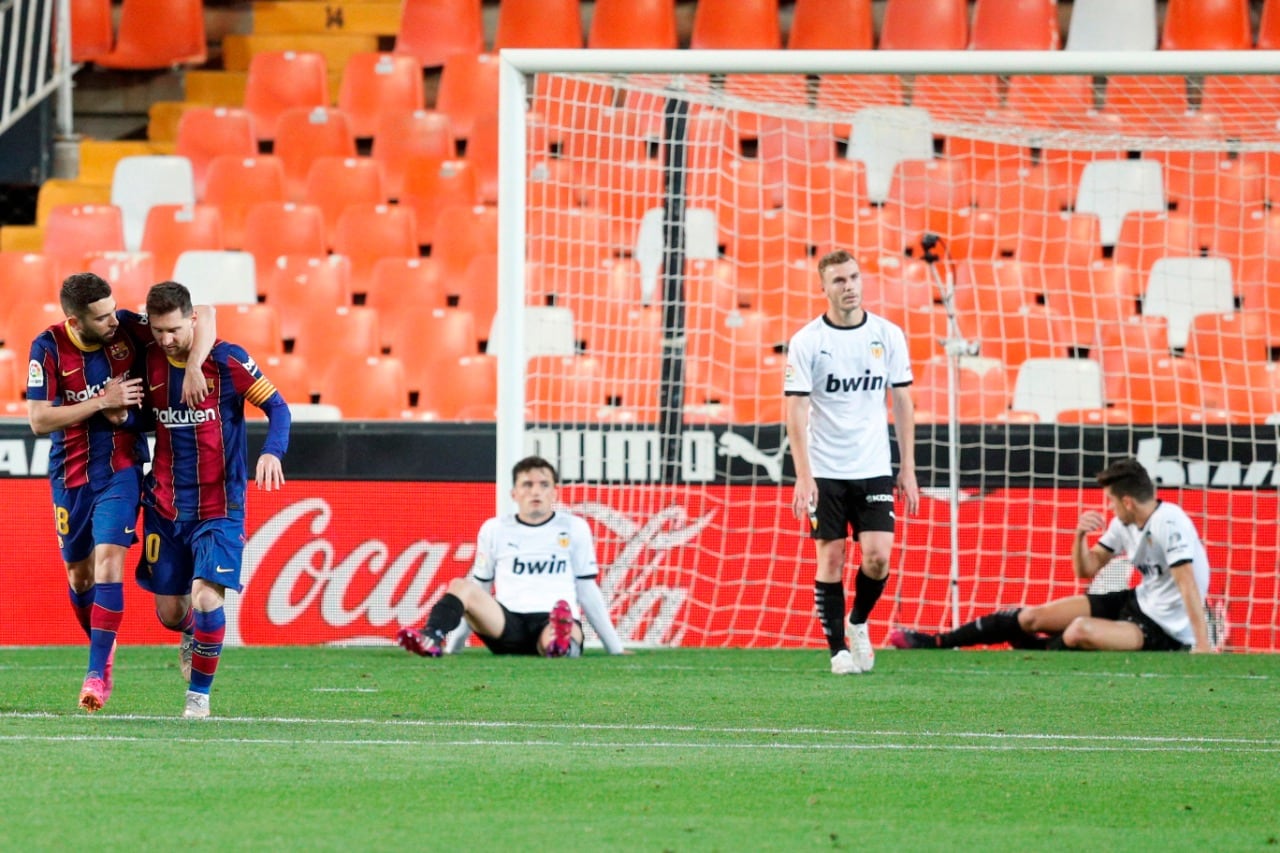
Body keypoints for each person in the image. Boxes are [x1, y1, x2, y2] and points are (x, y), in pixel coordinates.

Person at [27, 272, 215, 713]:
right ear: (76, 320)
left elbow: (205, 314)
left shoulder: (126, 327)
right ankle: (102, 646)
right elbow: (38, 420)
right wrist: (101, 401)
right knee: (79, 576)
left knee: (109, 560)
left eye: (113, 309)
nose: (115, 320)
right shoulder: (49, 347)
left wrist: (190, 368)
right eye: (102, 316)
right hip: (69, 474)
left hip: (122, 468)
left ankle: (96, 674)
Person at [134, 281, 291, 718]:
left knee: (206, 598)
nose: (167, 339)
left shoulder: (229, 360)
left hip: (220, 507)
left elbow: (279, 408)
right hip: (164, 506)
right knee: (170, 612)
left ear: (193, 321)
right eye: (159, 330)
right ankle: (191, 635)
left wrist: (272, 453)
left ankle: (198, 697)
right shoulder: (147, 356)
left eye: (175, 330)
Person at [889, 457, 1215, 654]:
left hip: (1164, 630)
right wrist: (1079, 536)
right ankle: (936, 642)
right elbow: (1086, 570)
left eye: (1113, 501)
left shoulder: (1168, 523)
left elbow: (1188, 585)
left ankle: (1038, 649)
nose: (1111, 508)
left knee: (1078, 631)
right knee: (1032, 617)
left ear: (1128, 501)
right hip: (1137, 601)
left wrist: (1202, 645)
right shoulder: (1124, 523)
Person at [784, 248, 919, 676]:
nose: (850, 287)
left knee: (878, 557)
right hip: (826, 470)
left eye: (855, 278)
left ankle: (858, 622)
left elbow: (902, 400)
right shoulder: (808, 342)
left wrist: (908, 467)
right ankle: (837, 650)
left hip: (874, 465)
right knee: (832, 558)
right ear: (823, 288)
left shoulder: (887, 335)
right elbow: (796, 410)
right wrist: (803, 475)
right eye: (839, 281)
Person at [397, 455, 626, 658]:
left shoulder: (575, 527)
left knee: (561, 627)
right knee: (461, 585)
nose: (536, 492)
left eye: (544, 485)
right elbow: (481, 588)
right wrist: (455, 646)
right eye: (527, 484)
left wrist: (614, 646)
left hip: (552, 618)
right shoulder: (494, 529)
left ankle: (560, 646)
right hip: (507, 623)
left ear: (555, 492)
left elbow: (586, 590)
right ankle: (432, 636)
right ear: (514, 493)